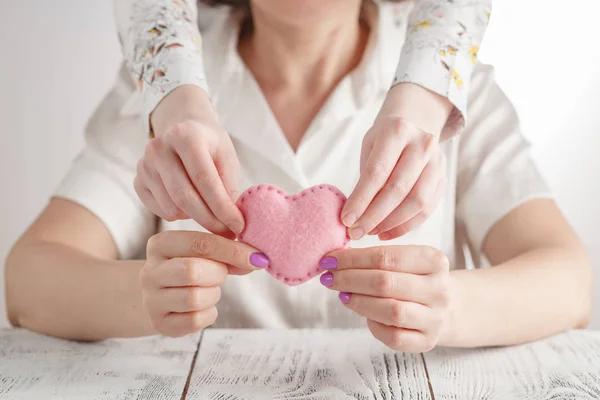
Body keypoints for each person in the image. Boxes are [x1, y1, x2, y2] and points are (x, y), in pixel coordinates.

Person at [5, 0, 591, 352]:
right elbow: (30, 281)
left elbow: (570, 281)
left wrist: (450, 307)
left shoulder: (466, 97)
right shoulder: (153, 100)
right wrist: (140, 295)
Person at [113, 0, 491, 241]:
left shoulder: (480, 95)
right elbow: (54, 266)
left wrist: (451, 309)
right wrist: (176, 100)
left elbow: (550, 264)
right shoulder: (134, 101)